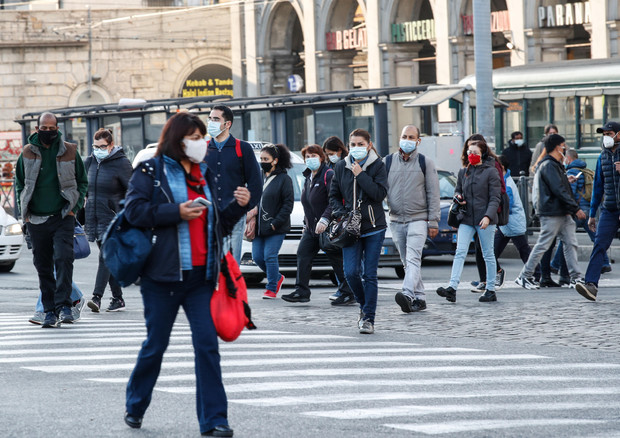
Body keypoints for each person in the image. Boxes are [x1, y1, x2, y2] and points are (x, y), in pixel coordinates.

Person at [123, 112, 249, 437]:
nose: (201, 143)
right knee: (156, 345)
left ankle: (214, 421)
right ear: (178, 140)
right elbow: (134, 212)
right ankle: (135, 404)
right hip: (161, 278)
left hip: (200, 279)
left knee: (207, 346)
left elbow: (215, 225)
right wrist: (175, 212)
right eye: (194, 137)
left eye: (202, 137)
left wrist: (237, 207)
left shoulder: (205, 175)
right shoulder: (151, 170)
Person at [15, 112, 88, 328]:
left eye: (51, 128)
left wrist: (74, 208)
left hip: (62, 216)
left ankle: (65, 306)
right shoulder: (27, 153)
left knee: (64, 259)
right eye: (43, 128)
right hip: (36, 219)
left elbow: (82, 182)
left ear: (57, 128)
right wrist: (24, 212)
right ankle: (49, 311)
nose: (48, 131)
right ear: (36, 129)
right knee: (43, 266)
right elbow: (19, 184)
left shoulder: (70, 151)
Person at [329, 129, 388, 334]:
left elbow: (379, 194)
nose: (356, 148)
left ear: (369, 145)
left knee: (369, 275)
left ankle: (368, 318)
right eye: (353, 144)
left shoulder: (378, 165)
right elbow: (334, 195)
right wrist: (341, 212)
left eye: (360, 144)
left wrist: (360, 175)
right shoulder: (340, 166)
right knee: (351, 272)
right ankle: (364, 306)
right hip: (349, 228)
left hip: (373, 226)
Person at [281, 144, 354, 305]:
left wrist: (325, 219)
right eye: (307, 156)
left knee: (335, 259)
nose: (310, 159)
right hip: (311, 228)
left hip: (327, 226)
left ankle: (348, 292)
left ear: (321, 158)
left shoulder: (328, 174)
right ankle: (302, 291)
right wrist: (305, 223)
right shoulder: (308, 177)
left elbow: (333, 199)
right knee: (303, 254)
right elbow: (308, 203)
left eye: (313, 156)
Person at [515, 134, 586, 290]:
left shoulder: (554, 165)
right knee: (544, 244)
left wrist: (567, 180)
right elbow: (558, 190)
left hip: (560, 211)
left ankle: (575, 278)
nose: (565, 148)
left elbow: (557, 186)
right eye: (563, 145)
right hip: (553, 212)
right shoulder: (549, 165)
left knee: (570, 243)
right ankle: (524, 276)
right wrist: (576, 208)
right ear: (556, 147)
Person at [436, 137, 501, 303]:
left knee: (488, 254)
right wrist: (458, 196)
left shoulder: (491, 171)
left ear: (482, 154)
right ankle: (452, 287)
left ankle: (491, 289)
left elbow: (495, 198)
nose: (471, 154)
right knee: (460, 252)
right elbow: (457, 190)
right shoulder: (463, 171)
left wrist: (488, 216)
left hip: (485, 219)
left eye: (475, 152)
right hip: (466, 218)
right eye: (469, 151)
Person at [384, 125, 440, 313]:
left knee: (413, 259)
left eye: (411, 137)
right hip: (396, 219)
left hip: (418, 219)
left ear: (418, 141)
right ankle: (420, 298)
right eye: (404, 136)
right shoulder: (388, 161)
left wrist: (433, 221)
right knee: (407, 262)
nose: (407, 140)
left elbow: (433, 193)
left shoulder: (425, 162)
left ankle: (407, 294)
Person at [84, 128, 133, 313]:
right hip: (94, 217)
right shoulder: (89, 161)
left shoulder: (121, 163)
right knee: (109, 258)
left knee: (104, 256)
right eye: (95, 146)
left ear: (111, 145)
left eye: (102, 146)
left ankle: (96, 298)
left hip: (114, 219)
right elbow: (84, 187)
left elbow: (133, 191)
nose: (97, 150)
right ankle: (118, 298)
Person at [206, 105, 262, 263]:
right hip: (208, 216)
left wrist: (245, 207)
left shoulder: (242, 148)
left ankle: (230, 288)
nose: (211, 122)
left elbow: (256, 183)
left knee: (230, 264)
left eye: (216, 119)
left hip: (233, 217)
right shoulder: (203, 149)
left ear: (227, 124)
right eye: (210, 119)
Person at [476, 155, 540, 292]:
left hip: (511, 223)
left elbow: (506, 206)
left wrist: (492, 214)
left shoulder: (507, 184)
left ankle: (536, 274)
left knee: (521, 250)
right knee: (494, 251)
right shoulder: (504, 181)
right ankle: (488, 277)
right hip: (507, 224)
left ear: (501, 168)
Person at [576, 121, 620, 301]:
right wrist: (592, 214)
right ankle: (591, 285)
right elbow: (598, 187)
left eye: (610, 133)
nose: (606, 137)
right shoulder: (603, 156)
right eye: (604, 134)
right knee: (599, 244)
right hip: (610, 209)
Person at [552, 149, 610, 284]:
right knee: (596, 238)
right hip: (588, 208)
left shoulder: (572, 171)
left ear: (569, 159)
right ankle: (605, 263)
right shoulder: (585, 170)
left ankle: (555, 265)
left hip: (578, 211)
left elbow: (570, 192)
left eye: (565, 158)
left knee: (566, 239)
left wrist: (570, 208)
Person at [251, 144, 294, 299]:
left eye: (266, 159)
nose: (262, 162)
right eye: (261, 159)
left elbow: (288, 204)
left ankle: (271, 287)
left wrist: (275, 223)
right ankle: (277, 277)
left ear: (275, 161)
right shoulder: (259, 177)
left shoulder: (284, 179)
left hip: (276, 226)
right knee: (257, 257)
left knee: (270, 256)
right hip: (258, 226)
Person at [322, 135, 350, 302]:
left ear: (339, 150)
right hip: (336, 214)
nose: (328, 156)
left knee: (348, 255)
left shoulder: (345, 165)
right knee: (335, 252)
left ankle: (349, 289)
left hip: (347, 214)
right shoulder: (330, 167)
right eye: (326, 153)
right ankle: (344, 287)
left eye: (331, 153)